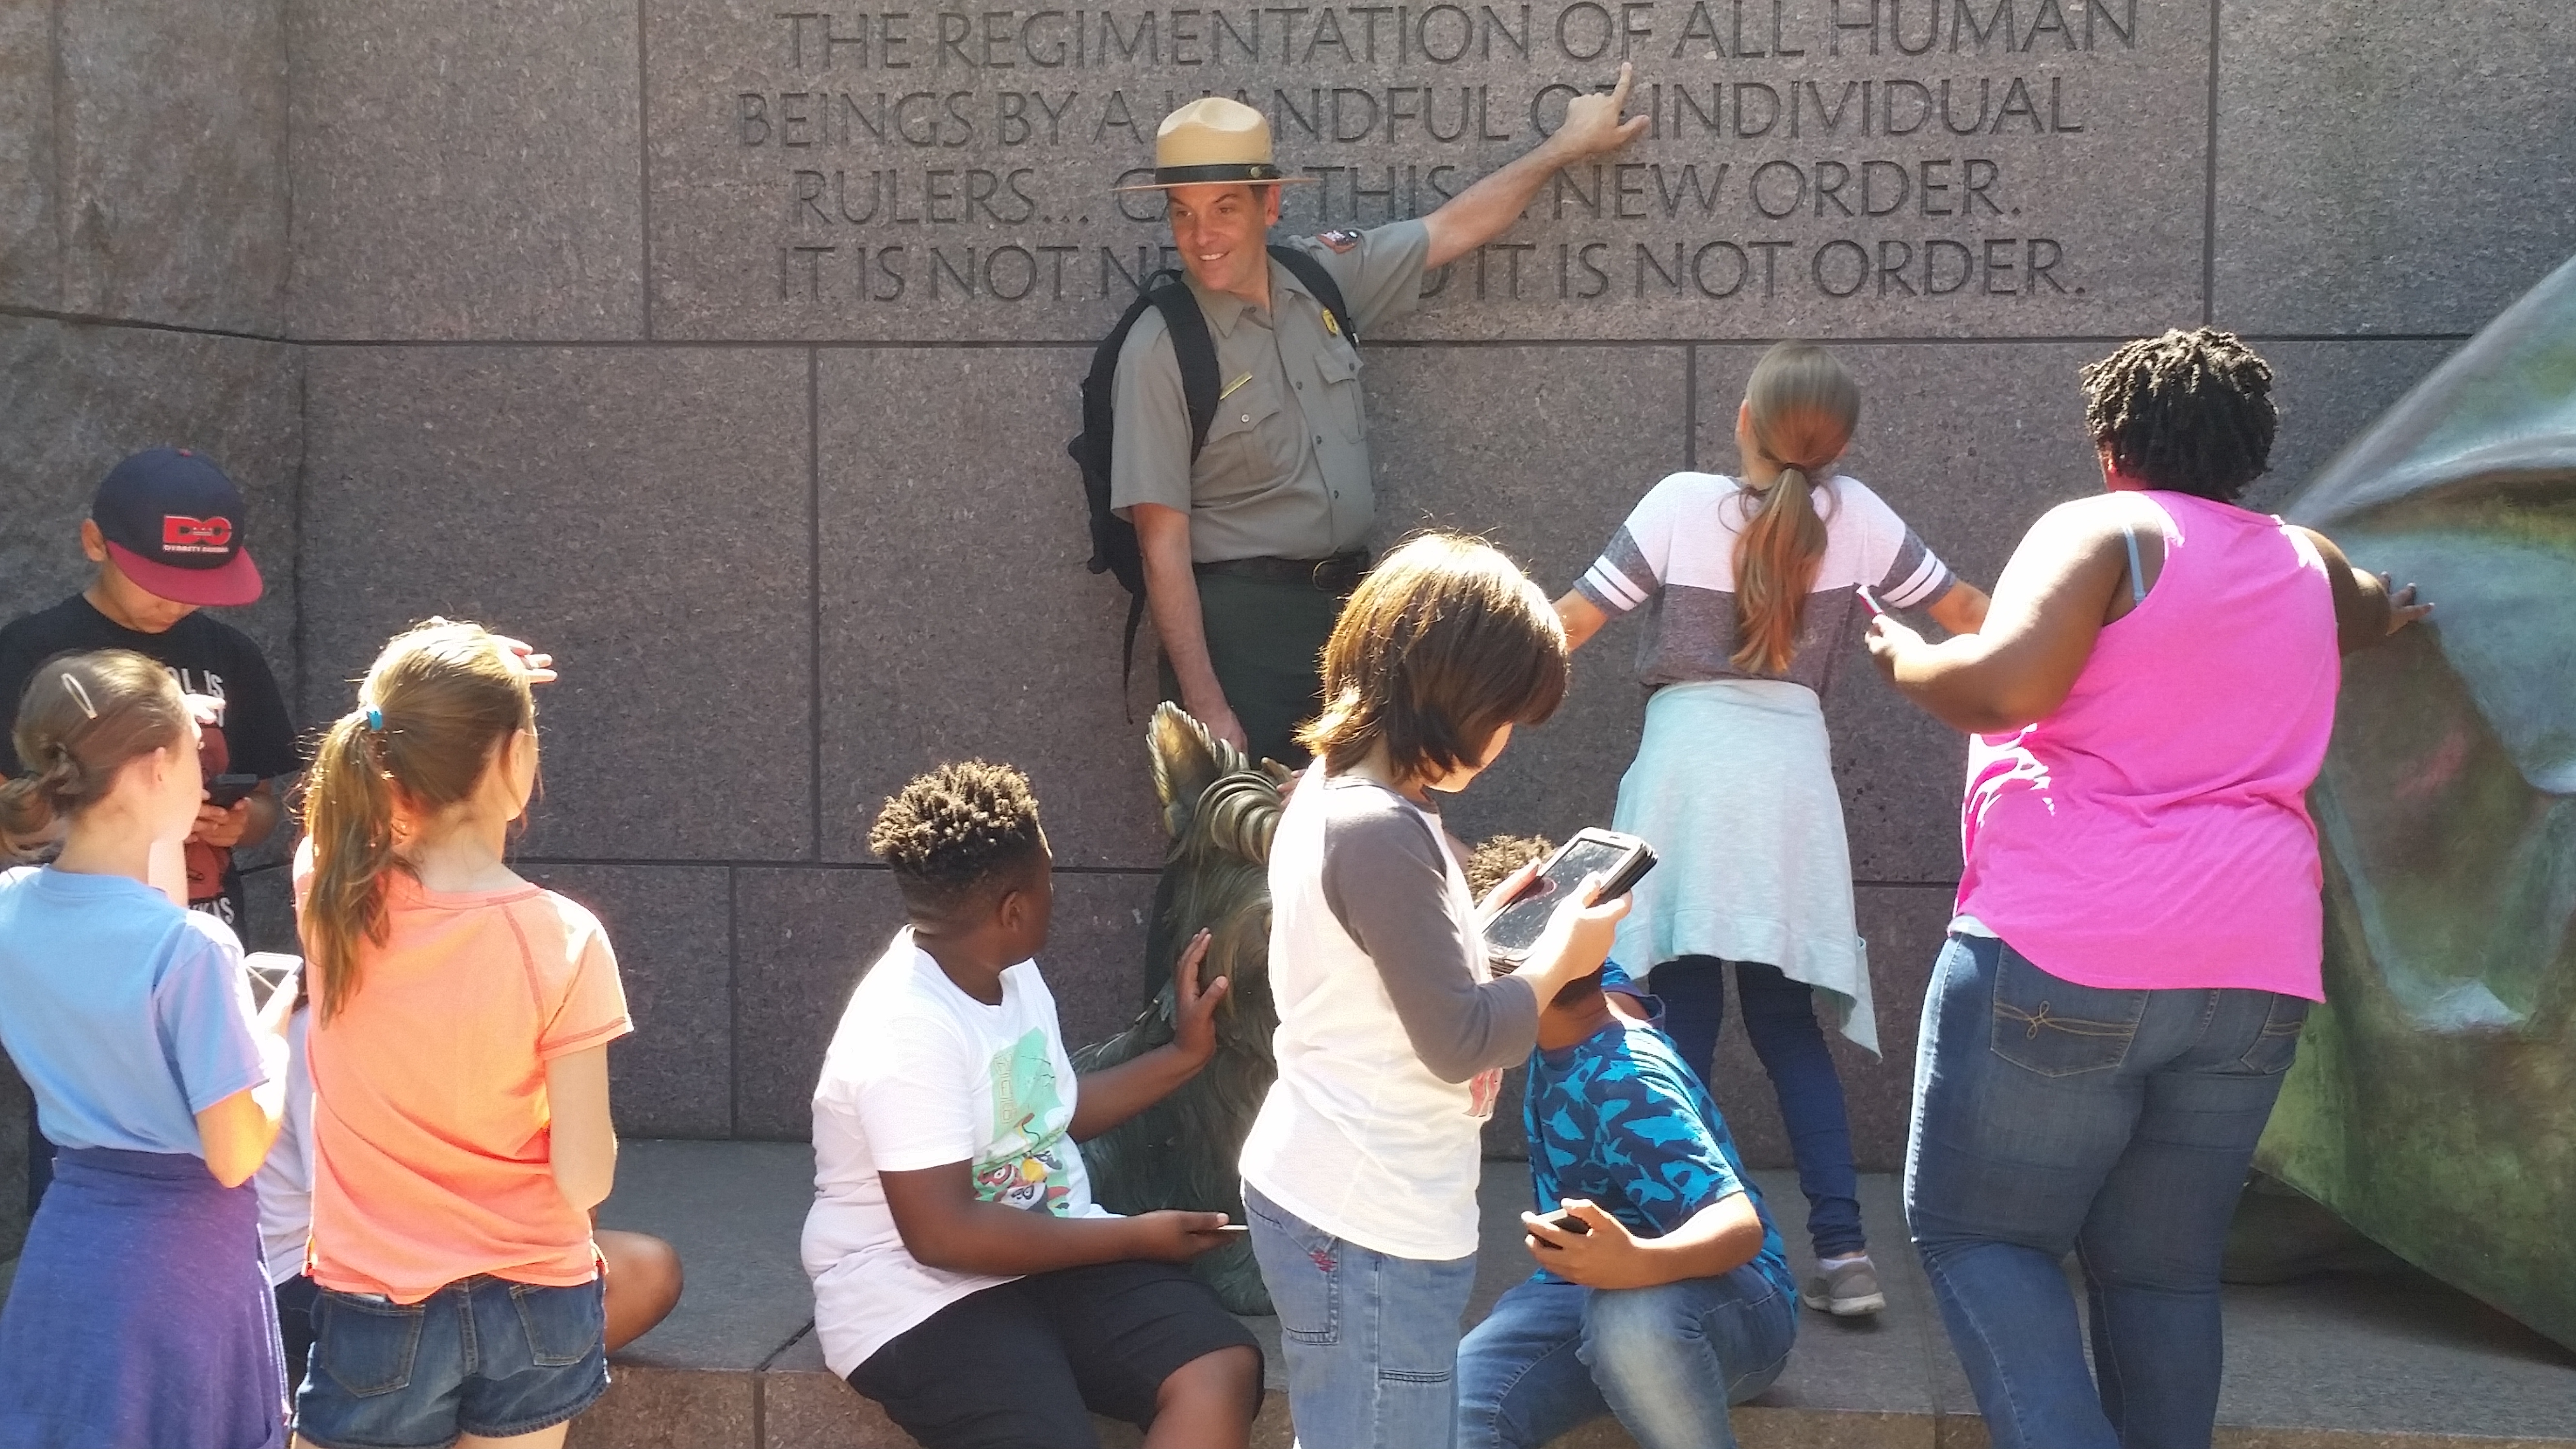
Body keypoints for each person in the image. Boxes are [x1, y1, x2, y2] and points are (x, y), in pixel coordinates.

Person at [1864, 328, 2431, 1449]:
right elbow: (2368, 607)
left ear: (2109, 444)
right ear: (2250, 451)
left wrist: (1901, 656)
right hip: (2251, 967)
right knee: (2162, 1273)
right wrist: (2393, 611)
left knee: (1983, 1238)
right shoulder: (2305, 563)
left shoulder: (2104, 530)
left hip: (2066, 944)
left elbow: (2002, 688)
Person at [1554, 341, 1990, 1317]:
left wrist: (1452, 664)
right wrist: (2094, 663)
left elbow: (1569, 622)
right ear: (1838, 445)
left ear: (1744, 421)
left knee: (1678, 1014)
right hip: (1790, 783)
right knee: (1788, 1024)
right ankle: (1845, 1254)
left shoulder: (1679, 504)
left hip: (1684, 775)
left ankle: (1678, 1233)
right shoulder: (1858, 516)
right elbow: (1969, 611)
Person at [1111, 70, 1650, 765]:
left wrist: (1563, 148)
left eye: (1223, 208)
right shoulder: (1159, 347)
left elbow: (1453, 228)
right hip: (1241, 638)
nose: (1202, 235)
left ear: (1269, 204)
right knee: (1245, 837)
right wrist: (1208, 705)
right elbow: (1161, 547)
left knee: (1353, 827)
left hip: (1352, 625)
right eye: (1182, 213)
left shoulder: (1319, 278)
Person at [1240, 532, 1627, 1449]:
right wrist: (1559, 954)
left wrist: (1478, 923)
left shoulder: (1341, 792)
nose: (1504, 743)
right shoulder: (1381, 827)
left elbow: (1383, 967)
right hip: (1367, 1217)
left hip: (1350, 1197)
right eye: (1505, 715)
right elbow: (1460, 1040)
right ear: (1453, 691)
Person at [803, 760, 1263, 1449]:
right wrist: (1138, 1237)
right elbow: (943, 1235)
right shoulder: (905, 1026)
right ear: (1012, 910)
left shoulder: (1009, 973)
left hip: (1049, 1255)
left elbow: (1046, 1115)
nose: (1057, 891)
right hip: (916, 1294)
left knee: (1217, 1367)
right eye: (1050, 878)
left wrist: (1183, 1056)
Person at [291, 619, 632, 1449]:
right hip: (541, 1302)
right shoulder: (567, 937)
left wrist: (438, 680)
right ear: (518, 759)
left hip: (379, 1301)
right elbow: (585, 1177)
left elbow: (341, 810)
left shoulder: (332, 895)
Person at [0, 650, 295, 1448]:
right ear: (156, 767)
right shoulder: (191, 948)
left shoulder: (9, 909)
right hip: (180, 1266)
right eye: (200, 752)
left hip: (66, 1250)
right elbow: (234, 1153)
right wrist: (272, 1044)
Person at [251, 976, 685, 1387]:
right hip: (327, 1278)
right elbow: (366, 1207)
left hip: (452, 1247)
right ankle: (486, 1403)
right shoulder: (331, 1025)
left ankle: (487, 1406)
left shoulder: (468, 1015)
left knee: (644, 1271)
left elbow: (577, 1200)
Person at [1455, 951, 1800, 1449]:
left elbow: (1739, 1226)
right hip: (1581, 1291)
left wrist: (1638, 1262)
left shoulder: (1625, 1082)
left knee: (1631, 1321)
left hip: (1733, 1306)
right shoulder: (1580, 995)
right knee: (1460, 1408)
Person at [0, 448, 296, 927]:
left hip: (205, 923)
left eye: (199, 585)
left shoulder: (232, 653)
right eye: (159, 582)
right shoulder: (27, 652)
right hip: (69, 929)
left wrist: (236, 824)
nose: (177, 602)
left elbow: (263, 803)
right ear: (95, 542)